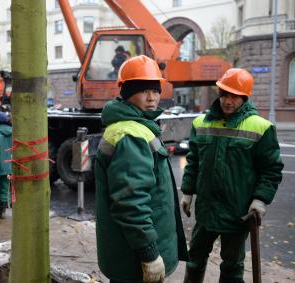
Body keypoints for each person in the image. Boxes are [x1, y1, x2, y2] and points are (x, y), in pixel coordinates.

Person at [180, 68, 284, 283]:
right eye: (225, 95)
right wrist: (188, 192)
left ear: (244, 97)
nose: (228, 101)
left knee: (232, 266)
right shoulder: (201, 123)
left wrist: (260, 199)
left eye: (235, 96)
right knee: (195, 259)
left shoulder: (261, 127)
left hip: (237, 213)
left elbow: (271, 169)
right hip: (206, 210)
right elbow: (194, 161)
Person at [95, 55, 188, 283]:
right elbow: (131, 201)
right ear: (127, 93)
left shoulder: (138, 127)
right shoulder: (130, 134)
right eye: (143, 90)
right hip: (134, 258)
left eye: (155, 90)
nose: (151, 97)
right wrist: (149, 254)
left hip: (131, 251)